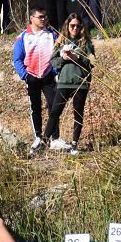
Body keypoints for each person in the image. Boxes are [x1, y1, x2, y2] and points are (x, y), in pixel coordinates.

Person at [45, 13, 95, 154]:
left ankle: (74, 144)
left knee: (78, 114)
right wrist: (63, 58)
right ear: (67, 26)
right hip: (64, 82)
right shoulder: (60, 42)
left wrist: (78, 57)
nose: (75, 28)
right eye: (72, 25)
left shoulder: (86, 43)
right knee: (55, 112)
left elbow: (92, 62)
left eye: (78, 26)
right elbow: (53, 61)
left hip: (80, 84)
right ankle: (44, 141)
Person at [13, 9, 58, 154]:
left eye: (45, 16)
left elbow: (59, 54)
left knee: (54, 106)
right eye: (40, 17)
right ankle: (38, 137)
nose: (43, 19)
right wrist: (25, 75)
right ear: (32, 18)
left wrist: (55, 71)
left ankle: (55, 138)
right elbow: (17, 59)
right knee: (35, 107)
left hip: (48, 76)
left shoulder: (52, 35)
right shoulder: (23, 37)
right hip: (31, 76)